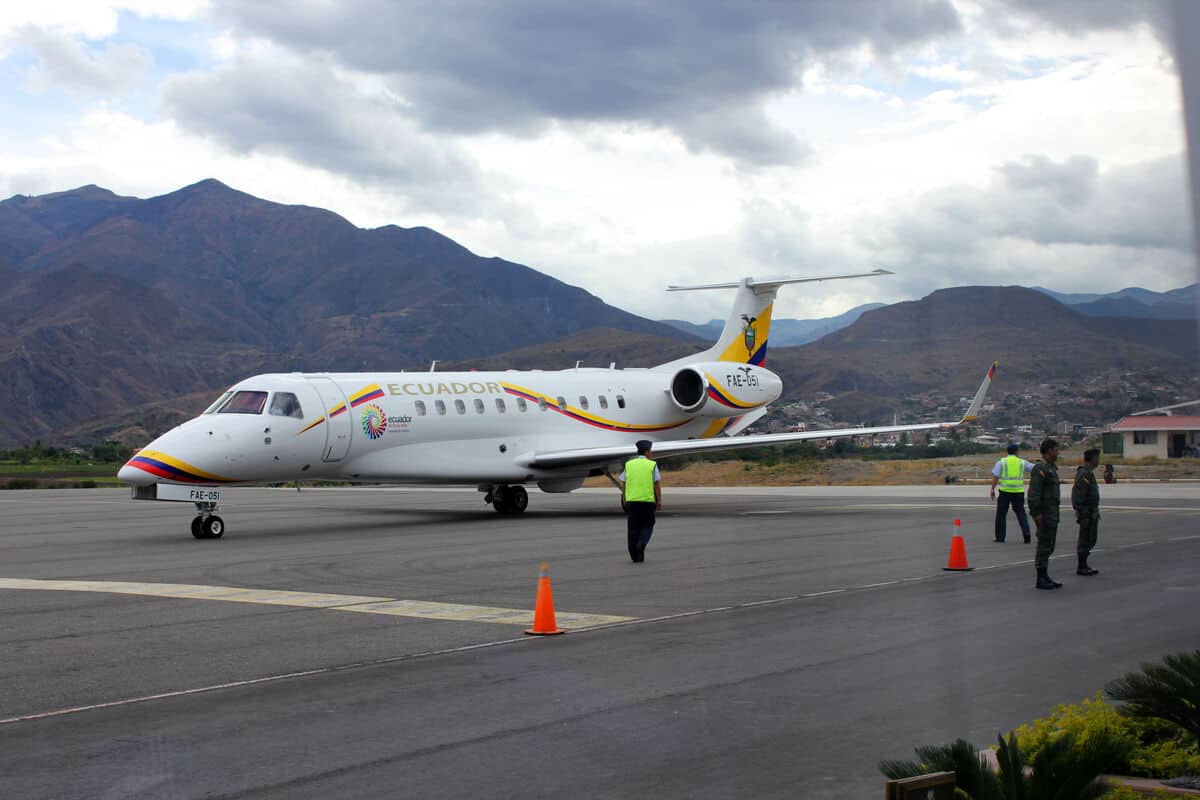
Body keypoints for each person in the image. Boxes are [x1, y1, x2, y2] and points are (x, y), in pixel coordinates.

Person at [1027, 438, 1062, 590]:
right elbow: (1033, 495)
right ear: (1048, 451)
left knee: (1049, 546)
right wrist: (1036, 515)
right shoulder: (1040, 469)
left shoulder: (1051, 468)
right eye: (1056, 450)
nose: (1058, 453)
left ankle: (1045, 576)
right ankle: (1041, 578)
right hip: (1045, 515)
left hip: (1052, 515)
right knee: (1043, 546)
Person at [619, 439, 662, 563]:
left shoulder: (629, 464)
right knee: (648, 525)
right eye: (650, 451)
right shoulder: (652, 465)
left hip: (632, 501)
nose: (651, 453)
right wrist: (659, 500)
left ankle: (635, 556)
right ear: (647, 452)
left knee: (633, 528)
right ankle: (642, 543)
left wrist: (624, 498)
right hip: (647, 501)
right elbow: (656, 484)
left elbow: (624, 482)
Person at [989, 442, 1033, 543]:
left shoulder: (1002, 462)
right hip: (1018, 492)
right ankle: (1027, 534)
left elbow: (996, 476)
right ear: (1016, 451)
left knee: (1001, 514)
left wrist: (992, 489)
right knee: (1021, 513)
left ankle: (1000, 537)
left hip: (1005, 492)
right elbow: (1034, 468)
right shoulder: (1022, 462)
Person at [1072, 448, 1102, 576]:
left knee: (1091, 538)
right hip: (1087, 512)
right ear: (1092, 459)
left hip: (1092, 511)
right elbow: (1078, 495)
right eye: (1097, 458)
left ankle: (1084, 564)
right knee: (1085, 539)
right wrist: (1082, 512)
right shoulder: (1083, 473)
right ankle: (1081, 566)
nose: (1098, 460)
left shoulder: (1089, 473)